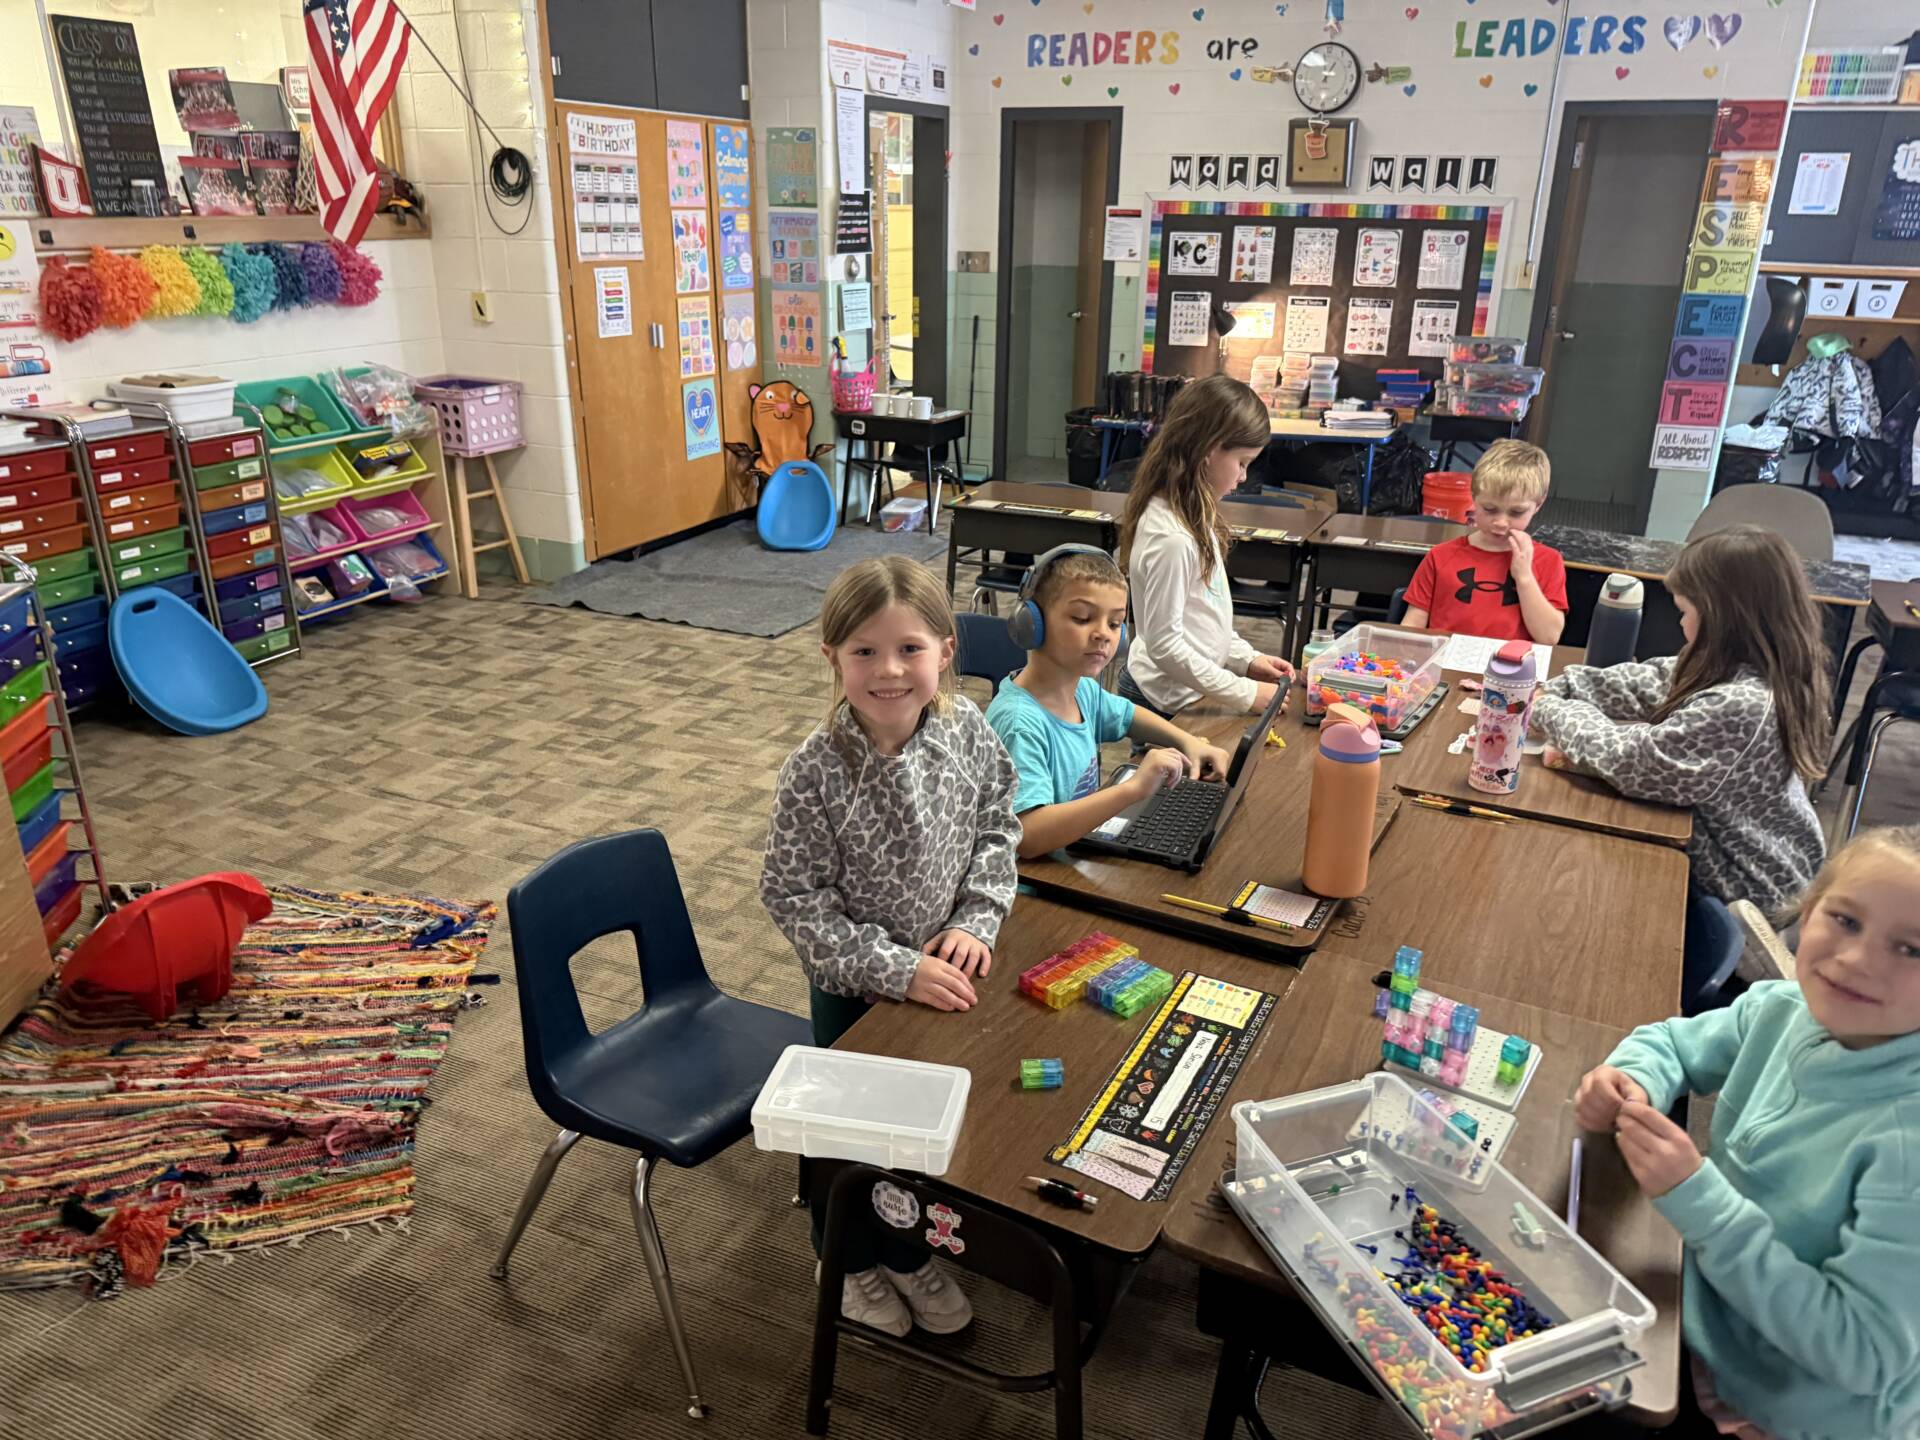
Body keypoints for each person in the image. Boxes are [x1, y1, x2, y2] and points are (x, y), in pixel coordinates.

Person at [1575, 824, 1920, 1440]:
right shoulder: (1782, 1009)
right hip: (1709, 1319)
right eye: (1844, 920)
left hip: (1786, 1414)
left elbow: (1863, 1353)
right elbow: (1673, 1043)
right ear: (1809, 911)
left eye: (1912, 949)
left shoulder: (1905, 1148)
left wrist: (1702, 1202)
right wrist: (1631, 1079)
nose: (1858, 959)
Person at [760, 555, 1019, 1339]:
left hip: (948, 972)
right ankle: (844, 1257)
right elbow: (792, 898)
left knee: (920, 1134)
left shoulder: (969, 729)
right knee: (848, 1143)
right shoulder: (816, 771)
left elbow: (998, 829)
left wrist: (977, 917)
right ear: (832, 658)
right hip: (855, 990)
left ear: (945, 649)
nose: (889, 670)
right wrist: (896, 968)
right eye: (865, 651)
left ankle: (906, 1253)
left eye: (910, 648)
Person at [1530, 526, 1829, 917]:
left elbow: (1633, 763)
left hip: (1749, 893)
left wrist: (1548, 708)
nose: (1680, 625)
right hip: (1728, 860)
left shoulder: (1744, 703)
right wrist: (1560, 686)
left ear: (1723, 616)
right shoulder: (1733, 661)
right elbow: (1649, 682)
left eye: (1685, 612)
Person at [984, 545, 1234, 857]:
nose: (1103, 634)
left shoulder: (1082, 691)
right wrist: (1131, 790)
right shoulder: (1020, 723)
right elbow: (1030, 836)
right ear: (1032, 623)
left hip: (1072, 856)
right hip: (1033, 887)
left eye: (1115, 624)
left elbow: (1128, 715)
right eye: (1082, 617)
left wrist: (1189, 742)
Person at [1116, 374, 1294, 716]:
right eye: (1242, 463)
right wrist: (1243, 692)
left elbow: (1203, 619)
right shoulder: (1173, 538)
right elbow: (1164, 646)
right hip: (1165, 698)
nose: (1243, 477)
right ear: (1210, 450)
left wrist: (1246, 659)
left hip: (1186, 689)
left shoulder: (1191, 514)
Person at [1402, 438, 1567, 644]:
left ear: (1538, 505)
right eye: (1489, 509)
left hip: (1510, 672)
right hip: (1443, 666)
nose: (1500, 522)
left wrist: (1524, 576)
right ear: (1473, 496)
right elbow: (1412, 625)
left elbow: (1549, 637)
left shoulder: (1547, 561)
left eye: (1516, 512)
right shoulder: (1441, 556)